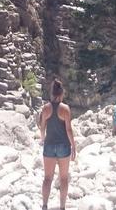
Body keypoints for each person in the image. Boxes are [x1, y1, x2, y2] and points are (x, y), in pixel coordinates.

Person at [39, 77, 76, 210]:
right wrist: (74, 146)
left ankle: (44, 205)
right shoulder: (65, 108)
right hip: (63, 146)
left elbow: (42, 127)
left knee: (47, 178)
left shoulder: (45, 108)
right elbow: (69, 129)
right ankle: (62, 207)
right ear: (61, 93)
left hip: (49, 145)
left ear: (52, 93)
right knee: (64, 178)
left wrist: (42, 139)